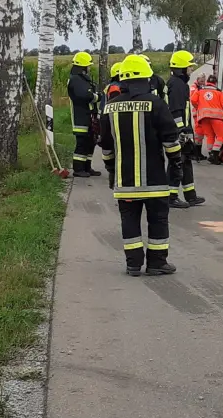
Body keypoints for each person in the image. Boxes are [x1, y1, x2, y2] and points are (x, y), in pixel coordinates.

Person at [95, 55, 183, 276]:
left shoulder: (110, 108)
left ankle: (133, 264)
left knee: (129, 221)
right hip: (155, 181)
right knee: (158, 221)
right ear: (146, 79)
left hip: (125, 182)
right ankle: (156, 263)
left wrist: (111, 170)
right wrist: (176, 163)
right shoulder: (156, 104)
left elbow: (106, 147)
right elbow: (170, 140)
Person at [163, 50, 204, 208]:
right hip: (178, 132)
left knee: (185, 163)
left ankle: (190, 195)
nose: (191, 70)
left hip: (182, 131)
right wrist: (182, 133)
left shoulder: (177, 83)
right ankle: (171, 197)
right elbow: (176, 111)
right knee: (177, 163)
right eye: (189, 67)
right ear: (182, 68)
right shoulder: (178, 86)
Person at [67, 51, 101, 177]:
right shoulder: (76, 80)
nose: (89, 68)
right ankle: (78, 169)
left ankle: (87, 167)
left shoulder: (81, 79)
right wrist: (98, 97)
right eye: (88, 65)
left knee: (90, 142)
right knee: (82, 144)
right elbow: (85, 96)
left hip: (88, 116)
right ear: (83, 66)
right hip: (80, 118)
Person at [191, 74, 223, 164]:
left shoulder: (200, 90)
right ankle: (214, 154)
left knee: (210, 136)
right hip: (217, 118)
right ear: (215, 83)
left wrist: (198, 107)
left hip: (204, 118)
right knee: (221, 136)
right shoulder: (219, 92)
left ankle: (211, 155)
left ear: (207, 82)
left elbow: (193, 100)